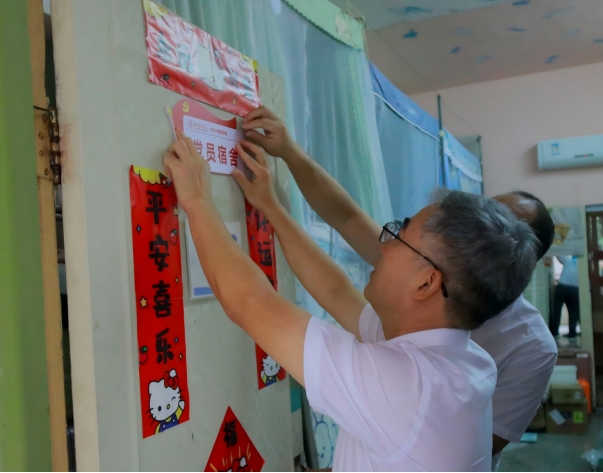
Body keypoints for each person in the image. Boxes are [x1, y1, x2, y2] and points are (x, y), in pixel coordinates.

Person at [163, 129, 538, 471]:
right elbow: (336, 291)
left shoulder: (406, 386)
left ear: (426, 283)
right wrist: (271, 206)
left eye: (399, 235)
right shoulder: (458, 358)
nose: (384, 245)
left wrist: (196, 200)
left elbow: (249, 301)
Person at [549, 255, 580, 338]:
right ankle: (572, 333)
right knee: (573, 312)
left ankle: (554, 332)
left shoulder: (568, 259)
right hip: (575, 289)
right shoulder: (582, 263)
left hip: (562, 288)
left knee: (557, 310)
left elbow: (558, 255)